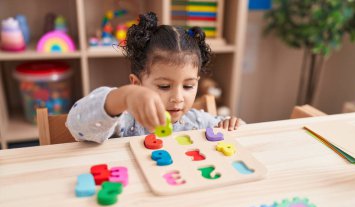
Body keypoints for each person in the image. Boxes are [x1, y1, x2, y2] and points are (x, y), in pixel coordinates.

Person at [66, 12, 242, 143]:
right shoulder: (126, 122)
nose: (178, 98)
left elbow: (242, 132)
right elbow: (76, 125)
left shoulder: (197, 122)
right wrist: (123, 96)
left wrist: (233, 125)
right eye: (164, 86)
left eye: (188, 86)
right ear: (136, 84)